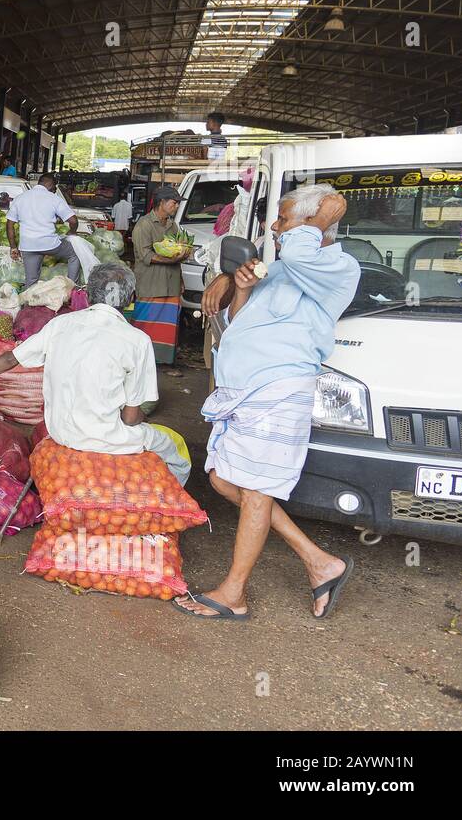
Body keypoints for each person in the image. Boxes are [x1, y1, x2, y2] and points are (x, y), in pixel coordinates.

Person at [175, 184, 359, 621]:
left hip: (278, 390)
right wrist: (240, 289)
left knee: (256, 491)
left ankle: (233, 593)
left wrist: (315, 221)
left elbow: (298, 252)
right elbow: (240, 322)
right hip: (242, 394)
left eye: (282, 219)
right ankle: (319, 561)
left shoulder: (336, 267)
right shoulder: (277, 270)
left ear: (317, 225)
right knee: (222, 479)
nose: (273, 228)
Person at [0, 263, 190, 483]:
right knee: (175, 455)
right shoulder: (138, 341)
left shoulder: (60, 324)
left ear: (87, 295)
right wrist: (142, 420)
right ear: (131, 299)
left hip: (60, 431)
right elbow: (130, 418)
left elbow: (7, 359)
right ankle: (161, 498)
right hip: (105, 438)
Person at [130, 184, 187, 365]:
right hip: (151, 284)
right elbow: (144, 255)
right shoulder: (144, 225)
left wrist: (182, 279)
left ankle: (164, 361)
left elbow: (178, 250)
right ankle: (142, 361)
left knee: (168, 328)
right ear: (162, 203)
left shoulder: (173, 226)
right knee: (147, 324)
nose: (177, 206)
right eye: (174, 203)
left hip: (171, 284)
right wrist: (169, 260)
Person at [6, 173, 80, 285]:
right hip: (49, 244)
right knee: (75, 253)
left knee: (31, 281)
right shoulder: (54, 199)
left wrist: (13, 247)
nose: (55, 191)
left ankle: (28, 301)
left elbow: (9, 224)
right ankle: (73, 287)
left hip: (28, 245)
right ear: (50, 185)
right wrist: (72, 232)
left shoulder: (20, 198)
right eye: (55, 188)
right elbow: (73, 221)